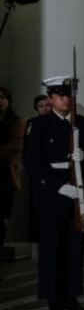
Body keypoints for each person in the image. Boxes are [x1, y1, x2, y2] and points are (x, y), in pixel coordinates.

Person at [24, 76, 84, 310]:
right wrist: (57, 186)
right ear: (50, 98)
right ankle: (54, 298)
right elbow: (32, 164)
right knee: (52, 248)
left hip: (80, 193)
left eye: (69, 95)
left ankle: (71, 296)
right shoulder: (38, 125)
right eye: (60, 96)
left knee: (75, 248)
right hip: (52, 195)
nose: (66, 100)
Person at [0, 87, 20, 254]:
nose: (0, 101)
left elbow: (15, 146)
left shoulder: (16, 121)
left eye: (3, 97)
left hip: (5, 173)